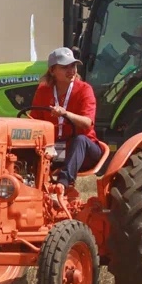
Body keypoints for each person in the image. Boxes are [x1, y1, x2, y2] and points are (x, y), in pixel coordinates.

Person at [30, 47, 100, 192]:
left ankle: (62, 184)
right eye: (65, 67)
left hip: (85, 150)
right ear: (52, 71)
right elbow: (34, 121)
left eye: (73, 66)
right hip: (55, 149)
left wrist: (65, 113)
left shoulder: (84, 89)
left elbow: (87, 124)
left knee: (80, 140)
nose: (71, 70)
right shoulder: (43, 90)